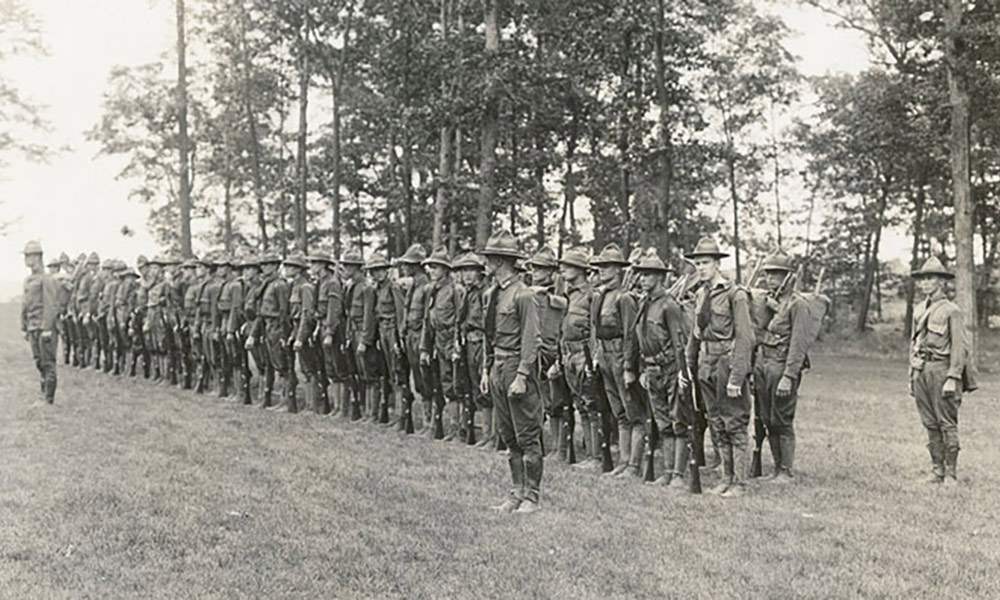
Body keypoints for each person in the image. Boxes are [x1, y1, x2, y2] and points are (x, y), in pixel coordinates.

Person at [682, 237, 755, 498]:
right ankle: (726, 477)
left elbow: (746, 337)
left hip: (727, 361)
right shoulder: (700, 294)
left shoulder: (736, 294)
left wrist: (737, 376)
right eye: (697, 263)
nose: (700, 268)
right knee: (716, 422)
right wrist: (688, 368)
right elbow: (695, 335)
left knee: (734, 422)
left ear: (717, 264)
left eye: (705, 263)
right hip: (706, 363)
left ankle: (740, 483)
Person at [481, 230, 543, 514]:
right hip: (497, 366)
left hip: (517, 368)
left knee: (527, 435)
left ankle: (532, 496)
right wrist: (486, 370)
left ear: (500, 261)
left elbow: (531, 339)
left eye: (488, 259)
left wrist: (522, 376)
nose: (485, 263)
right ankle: (516, 492)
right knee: (508, 435)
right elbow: (488, 335)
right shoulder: (493, 294)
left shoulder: (524, 295)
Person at [624, 250, 691, 486]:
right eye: (641, 275)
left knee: (678, 420)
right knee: (662, 422)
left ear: (660, 277)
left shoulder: (670, 306)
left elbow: (679, 342)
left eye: (648, 275)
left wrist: (683, 372)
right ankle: (668, 471)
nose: (642, 279)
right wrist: (640, 368)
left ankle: (679, 475)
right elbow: (639, 337)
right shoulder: (644, 304)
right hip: (651, 369)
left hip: (671, 368)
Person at [909, 256, 968, 486]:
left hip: (942, 370)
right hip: (922, 370)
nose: (925, 283)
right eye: (923, 278)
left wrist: (953, 377)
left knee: (946, 422)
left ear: (941, 282)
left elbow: (959, 348)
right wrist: (911, 375)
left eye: (930, 278)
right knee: (930, 423)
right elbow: (912, 345)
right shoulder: (918, 310)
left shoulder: (951, 311)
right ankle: (937, 471)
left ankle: (951, 474)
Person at [753, 251, 810, 481]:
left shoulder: (799, 305)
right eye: (767, 273)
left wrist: (789, 375)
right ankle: (776, 467)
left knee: (782, 419)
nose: (770, 278)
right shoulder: (771, 303)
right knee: (767, 418)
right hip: (763, 363)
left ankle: (785, 470)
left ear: (789, 277)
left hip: (781, 365)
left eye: (776, 274)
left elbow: (798, 345)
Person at [590, 243, 641, 476]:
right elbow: (596, 329)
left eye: (607, 266)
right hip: (605, 356)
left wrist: (630, 367)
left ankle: (634, 465)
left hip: (621, 356)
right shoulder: (601, 296)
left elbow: (631, 333)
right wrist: (596, 356)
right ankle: (623, 460)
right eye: (601, 266)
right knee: (618, 411)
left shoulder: (625, 298)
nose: (602, 270)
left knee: (633, 412)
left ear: (618, 269)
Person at [527, 247, 571, 459]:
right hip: (535, 351)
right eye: (535, 267)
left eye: (541, 268)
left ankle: (559, 448)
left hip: (554, 352)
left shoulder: (559, 294)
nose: (536, 272)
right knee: (537, 401)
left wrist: (559, 359)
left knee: (557, 404)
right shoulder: (529, 292)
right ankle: (540, 444)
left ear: (552, 272)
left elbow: (564, 322)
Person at [420, 247, 462, 440]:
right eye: (431, 267)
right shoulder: (431, 290)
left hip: (451, 341)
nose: (432, 270)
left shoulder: (455, 290)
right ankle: (441, 428)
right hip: (437, 340)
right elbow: (427, 322)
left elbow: (459, 321)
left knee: (454, 386)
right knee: (441, 385)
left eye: (436, 267)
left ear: (446, 269)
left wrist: (456, 345)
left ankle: (458, 430)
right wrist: (425, 348)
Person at [453, 252, 490, 446]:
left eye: (471, 270)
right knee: (471, 387)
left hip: (482, 341)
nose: (467, 275)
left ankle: (489, 435)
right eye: (464, 270)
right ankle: (473, 431)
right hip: (468, 342)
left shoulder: (486, 293)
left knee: (485, 390)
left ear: (480, 273)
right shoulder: (466, 293)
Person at [21, 241, 60, 404]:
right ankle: (43, 393)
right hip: (32, 326)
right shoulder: (29, 279)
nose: (26, 259)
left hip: (44, 328)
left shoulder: (47, 279)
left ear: (38, 257)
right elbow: (26, 304)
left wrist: (46, 328)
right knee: (38, 361)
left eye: (28, 255)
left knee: (47, 362)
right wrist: (24, 326)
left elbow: (51, 305)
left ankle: (48, 399)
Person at [397, 244, 430, 431]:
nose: (404, 267)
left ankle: (429, 422)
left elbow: (426, 318)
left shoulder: (425, 287)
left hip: (419, 338)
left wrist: (424, 344)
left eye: (408, 263)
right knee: (416, 379)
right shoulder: (412, 286)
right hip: (410, 337)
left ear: (417, 265)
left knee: (425, 381)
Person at [368, 253, 404, 425]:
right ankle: (389, 411)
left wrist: (398, 339)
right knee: (387, 372)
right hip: (382, 330)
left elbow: (400, 313)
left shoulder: (393, 288)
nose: (377, 273)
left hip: (392, 330)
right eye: (374, 270)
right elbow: (375, 314)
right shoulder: (377, 289)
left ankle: (401, 416)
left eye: (381, 269)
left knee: (397, 372)